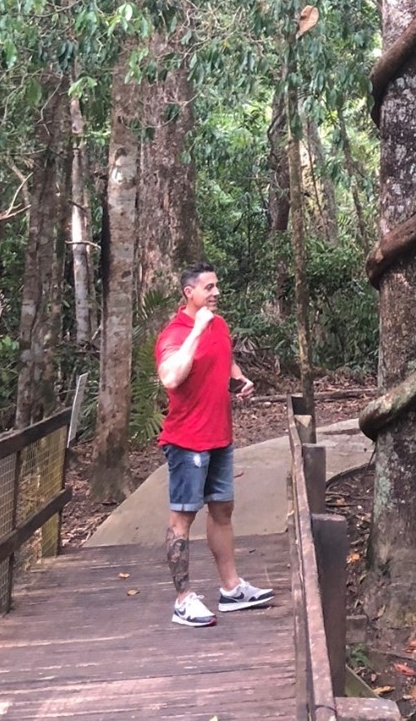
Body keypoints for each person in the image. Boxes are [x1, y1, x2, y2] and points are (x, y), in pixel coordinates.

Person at [155, 262, 274, 627]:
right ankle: (182, 600)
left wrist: (239, 380)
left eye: (217, 285)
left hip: (220, 437)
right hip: (187, 441)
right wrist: (197, 330)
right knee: (182, 518)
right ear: (189, 293)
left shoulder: (220, 326)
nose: (217, 292)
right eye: (209, 287)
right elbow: (171, 377)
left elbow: (225, 360)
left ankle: (231, 588)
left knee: (222, 511)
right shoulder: (174, 334)